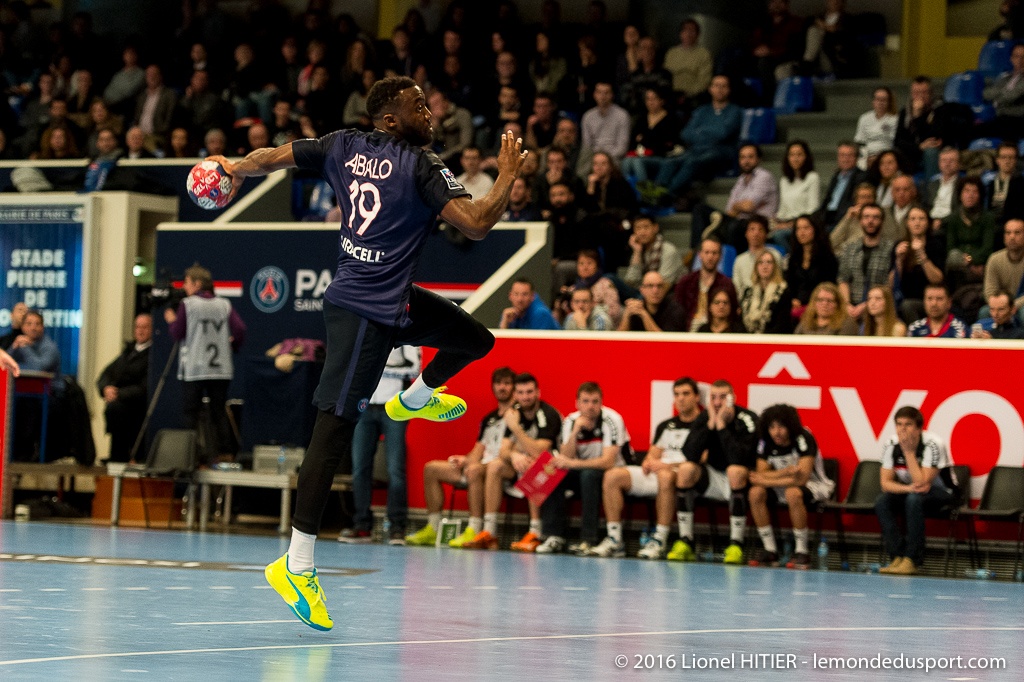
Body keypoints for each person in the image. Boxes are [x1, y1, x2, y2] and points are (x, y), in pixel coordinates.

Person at [211, 76, 528, 632]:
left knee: (475, 340)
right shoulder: (420, 164)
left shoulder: (340, 144)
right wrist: (506, 175)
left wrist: (236, 167)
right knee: (333, 429)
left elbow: (275, 156)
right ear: (389, 120)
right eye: (418, 106)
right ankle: (296, 565)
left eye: (427, 104)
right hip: (363, 311)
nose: (429, 113)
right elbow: (478, 224)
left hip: (393, 300)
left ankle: (414, 398)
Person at [592, 377, 703, 559]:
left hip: (684, 476)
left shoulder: (703, 425)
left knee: (666, 476)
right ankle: (614, 539)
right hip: (659, 471)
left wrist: (667, 465)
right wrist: (648, 462)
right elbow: (653, 454)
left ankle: (659, 540)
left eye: (686, 394)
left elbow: (702, 459)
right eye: (677, 394)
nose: (681, 398)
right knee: (612, 475)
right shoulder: (666, 425)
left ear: (697, 397)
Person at [405, 366, 515, 548]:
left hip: (500, 468)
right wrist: (464, 459)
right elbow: (478, 451)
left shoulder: (518, 415)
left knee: (474, 469)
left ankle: (474, 528)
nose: (502, 387)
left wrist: (473, 464)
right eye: (498, 383)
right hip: (481, 464)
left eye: (507, 383)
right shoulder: (489, 419)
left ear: (513, 387)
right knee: (431, 468)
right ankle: (433, 528)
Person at [465, 372, 563, 551]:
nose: (525, 397)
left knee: (533, 465)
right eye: (521, 392)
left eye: (529, 392)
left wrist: (516, 428)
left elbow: (540, 451)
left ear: (538, 392)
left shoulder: (548, 414)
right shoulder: (515, 412)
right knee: (495, 465)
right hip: (521, 465)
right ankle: (489, 532)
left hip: (552, 469)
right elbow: (503, 451)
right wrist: (514, 456)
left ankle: (535, 532)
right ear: (515, 394)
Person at [338, 346, 420, 545]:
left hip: (395, 407)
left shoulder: (405, 335)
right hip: (364, 405)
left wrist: (380, 365)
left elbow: (414, 370)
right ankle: (362, 525)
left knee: (395, 469)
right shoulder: (366, 334)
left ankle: (397, 527)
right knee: (359, 469)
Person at [669, 379, 758, 564]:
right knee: (685, 470)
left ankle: (736, 544)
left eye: (723, 397)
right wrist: (710, 425)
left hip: (743, 480)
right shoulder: (705, 416)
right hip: (713, 478)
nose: (717, 403)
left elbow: (740, 458)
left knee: (735, 470)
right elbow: (690, 454)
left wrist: (722, 427)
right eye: (713, 397)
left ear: (733, 398)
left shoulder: (747, 419)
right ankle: (686, 540)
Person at [537, 381, 630, 555]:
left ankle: (588, 539)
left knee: (589, 475)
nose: (590, 406)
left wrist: (572, 464)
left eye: (595, 401)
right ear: (577, 403)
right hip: (582, 471)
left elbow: (608, 462)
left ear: (601, 403)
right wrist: (575, 431)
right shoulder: (571, 420)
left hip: (612, 473)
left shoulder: (612, 420)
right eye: (585, 401)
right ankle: (553, 536)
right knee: (553, 471)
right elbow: (565, 456)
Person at [165, 265, 246, 459]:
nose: (184, 287)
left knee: (191, 414)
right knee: (219, 412)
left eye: (187, 282)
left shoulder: (189, 304)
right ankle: (225, 453)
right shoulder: (224, 304)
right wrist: (232, 346)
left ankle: (192, 456)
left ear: (197, 284)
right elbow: (240, 329)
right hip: (221, 369)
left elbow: (177, 333)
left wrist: (171, 320)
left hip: (195, 368)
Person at [875, 406, 959, 575]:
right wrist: (907, 488)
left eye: (908, 425)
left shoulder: (933, 444)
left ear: (919, 428)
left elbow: (921, 482)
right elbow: (885, 484)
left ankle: (912, 559)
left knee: (914, 499)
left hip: (943, 493)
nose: (902, 429)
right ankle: (897, 556)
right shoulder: (891, 444)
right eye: (899, 424)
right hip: (912, 491)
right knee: (882, 501)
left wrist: (909, 453)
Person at [748, 404, 834, 569]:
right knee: (755, 493)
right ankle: (770, 549)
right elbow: (759, 475)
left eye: (781, 427)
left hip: (815, 485)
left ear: (790, 426)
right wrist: (785, 472)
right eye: (772, 427)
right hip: (783, 484)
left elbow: (801, 479)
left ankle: (802, 551)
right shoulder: (765, 441)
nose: (776, 432)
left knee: (793, 493)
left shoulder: (803, 437)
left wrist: (768, 480)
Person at [653, 75, 742, 200]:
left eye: (723, 86)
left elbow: (723, 133)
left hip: (720, 151)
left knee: (692, 162)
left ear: (729, 90)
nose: (719, 89)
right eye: (716, 86)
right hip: (696, 150)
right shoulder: (701, 111)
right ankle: (655, 193)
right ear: (710, 89)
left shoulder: (735, 111)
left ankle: (667, 195)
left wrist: (700, 131)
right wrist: (709, 133)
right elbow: (685, 134)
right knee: (670, 162)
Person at [96, 313, 152, 462]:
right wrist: (106, 388)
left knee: (117, 409)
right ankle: (117, 456)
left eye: (145, 327)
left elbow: (145, 387)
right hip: (118, 401)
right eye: (138, 327)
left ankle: (123, 456)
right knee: (114, 409)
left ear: (152, 330)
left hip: (137, 404)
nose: (140, 331)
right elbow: (106, 374)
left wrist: (119, 394)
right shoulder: (128, 352)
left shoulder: (153, 356)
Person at [836, 203, 895, 322]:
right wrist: (847, 304)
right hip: (851, 306)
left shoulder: (891, 249)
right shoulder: (850, 248)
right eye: (866, 217)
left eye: (875, 217)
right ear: (860, 221)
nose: (870, 221)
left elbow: (889, 284)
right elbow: (843, 279)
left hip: (880, 307)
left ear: (882, 221)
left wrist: (867, 305)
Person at [721, 143, 779, 251]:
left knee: (734, 226)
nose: (746, 161)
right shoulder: (741, 179)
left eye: (750, 157)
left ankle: (732, 259)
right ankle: (695, 253)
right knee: (701, 210)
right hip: (742, 221)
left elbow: (749, 206)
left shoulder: (764, 176)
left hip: (761, 222)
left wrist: (738, 207)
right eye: (743, 157)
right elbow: (729, 211)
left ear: (758, 159)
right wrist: (740, 207)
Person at [894, 205, 946, 323]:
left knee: (907, 306)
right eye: (913, 219)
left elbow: (937, 280)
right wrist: (899, 260)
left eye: (921, 219)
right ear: (907, 223)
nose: (917, 223)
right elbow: (892, 284)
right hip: (903, 297)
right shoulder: (900, 245)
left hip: (929, 299)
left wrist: (922, 255)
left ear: (928, 223)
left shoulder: (936, 245)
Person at [675, 238, 739, 331]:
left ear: (720, 256)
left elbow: (733, 314)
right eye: (707, 252)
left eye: (714, 253)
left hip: (716, 332)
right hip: (687, 331)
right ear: (699, 254)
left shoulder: (727, 284)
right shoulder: (686, 282)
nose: (710, 257)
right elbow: (676, 311)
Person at [944, 178, 996, 288]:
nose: (970, 195)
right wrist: (966, 262)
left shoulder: (988, 218)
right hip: (958, 263)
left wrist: (971, 260)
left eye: (974, 191)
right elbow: (950, 247)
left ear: (980, 195)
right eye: (966, 191)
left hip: (981, 262)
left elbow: (988, 247)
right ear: (960, 195)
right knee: (953, 256)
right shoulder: (953, 218)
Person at [786, 215, 838, 320]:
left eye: (806, 228)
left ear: (815, 230)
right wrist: (793, 299)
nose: (802, 232)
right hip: (796, 305)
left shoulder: (827, 258)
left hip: (819, 305)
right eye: (798, 229)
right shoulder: (794, 258)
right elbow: (790, 283)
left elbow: (828, 286)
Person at [623, 215, 683, 291]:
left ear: (655, 228)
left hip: (667, 293)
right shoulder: (639, 249)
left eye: (646, 227)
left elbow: (664, 285)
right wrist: (637, 252)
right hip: (644, 291)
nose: (642, 232)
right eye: (638, 228)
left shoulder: (668, 250)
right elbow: (631, 281)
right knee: (611, 279)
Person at [818, 141, 868, 230]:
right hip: (827, 217)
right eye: (842, 155)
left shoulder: (861, 177)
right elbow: (826, 202)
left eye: (849, 155)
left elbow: (853, 203)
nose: (845, 159)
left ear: (856, 157)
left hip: (844, 220)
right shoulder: (836, 176)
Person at [774, 140, 820, 235]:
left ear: (806, 157)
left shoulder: (812, 177)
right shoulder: (784, 180)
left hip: (803, 224)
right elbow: (783, 209)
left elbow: (812, 209)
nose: (795, 159)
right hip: (786, 221)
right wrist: (777, 222)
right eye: (792, 155)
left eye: (799, 155)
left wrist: (791, 224)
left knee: (779, 235)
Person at [741, 249, 792, 334]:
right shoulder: (748, 292)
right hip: (749, 338)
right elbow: (742, 320)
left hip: (773, 338)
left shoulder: (783, 291)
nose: (765, 266)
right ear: (756, 267)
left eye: (769, 262)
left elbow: (782, 324)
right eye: (761, 262)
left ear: (774, 267)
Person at [983, 219, 1024, 324]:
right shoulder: (994, 259)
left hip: (1021, 305)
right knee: (984, 312)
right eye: (1008, 233)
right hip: (1000, 304)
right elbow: (989, 291)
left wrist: (1012, 306)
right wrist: (1000, 306)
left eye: (1017, 233)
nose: (1012, 237)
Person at [663, 18, 712, 103]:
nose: (688, 34)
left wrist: (687, 95)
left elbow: (704, 82)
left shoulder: (704, 54)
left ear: (698, 34)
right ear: (680, 33)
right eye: (685, 30)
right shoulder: (671, 53)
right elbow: (665, 76)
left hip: (693, 98)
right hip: (671, 96)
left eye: (692, 31)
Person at [732, 216, 781, 302]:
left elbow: (779, 282)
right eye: (752, 229)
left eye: (760, 229)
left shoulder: (775, 255)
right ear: (746, 233)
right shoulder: (739, 260)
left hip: (771, 300)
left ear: (766, 234)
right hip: (746, 302)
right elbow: (737, 288)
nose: (756, 233)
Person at [580, 82, 631, 165]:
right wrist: (597, 158)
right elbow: (587, 146)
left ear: (612, 95)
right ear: (594, 95)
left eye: (606, 93)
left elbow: (622, 148)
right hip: (593, 158)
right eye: (599, 92)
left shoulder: (622, 115)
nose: (602, 96)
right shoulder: (588, 116)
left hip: (614, 159)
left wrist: (604, 158)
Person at [619, 271, 686, 332]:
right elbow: (619, 338)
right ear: (642, 290)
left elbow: (665, 340)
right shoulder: (636, 308)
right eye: (650, 286)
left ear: (664, 289)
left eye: (659, 286)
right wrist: (627, 314)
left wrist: (644, 315)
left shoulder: (675, 310)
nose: (655, 291)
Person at [853, 88, 898, 170]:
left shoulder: (895, 120)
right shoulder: (864, 118)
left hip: (886, 154)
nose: (880, 103)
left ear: (889, 102)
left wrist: (879, 157)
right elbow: (859, 142)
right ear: (873, 101)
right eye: (878, 99)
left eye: (883, 100)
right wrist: (865, 158)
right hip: (866, 155)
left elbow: (894, 143)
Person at [794, 282, 859, 335]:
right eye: (820, 300)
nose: (825, 304)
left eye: (830, 301)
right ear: (814, 303)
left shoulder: (847, 324)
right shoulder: (806, 322)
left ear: (838, 304)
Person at [985, 141, 1024, 223]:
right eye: (1003, 157)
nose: (1007, 161)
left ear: (1016, 160)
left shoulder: (1021, 184)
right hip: (992, 225)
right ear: (997, 160)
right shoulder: (991, 184)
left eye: (1011, 157)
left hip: (1013, 225)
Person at [926, 147, 962, 225]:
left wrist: (942, 221)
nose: (947, 164)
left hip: (951, 223)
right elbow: (926, 205)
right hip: (930, 222)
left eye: (951, 161)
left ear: (959, 164)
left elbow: (961, 210)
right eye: (944, 161)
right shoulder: (932, 184)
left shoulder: (963, 184)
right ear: (939, 164)